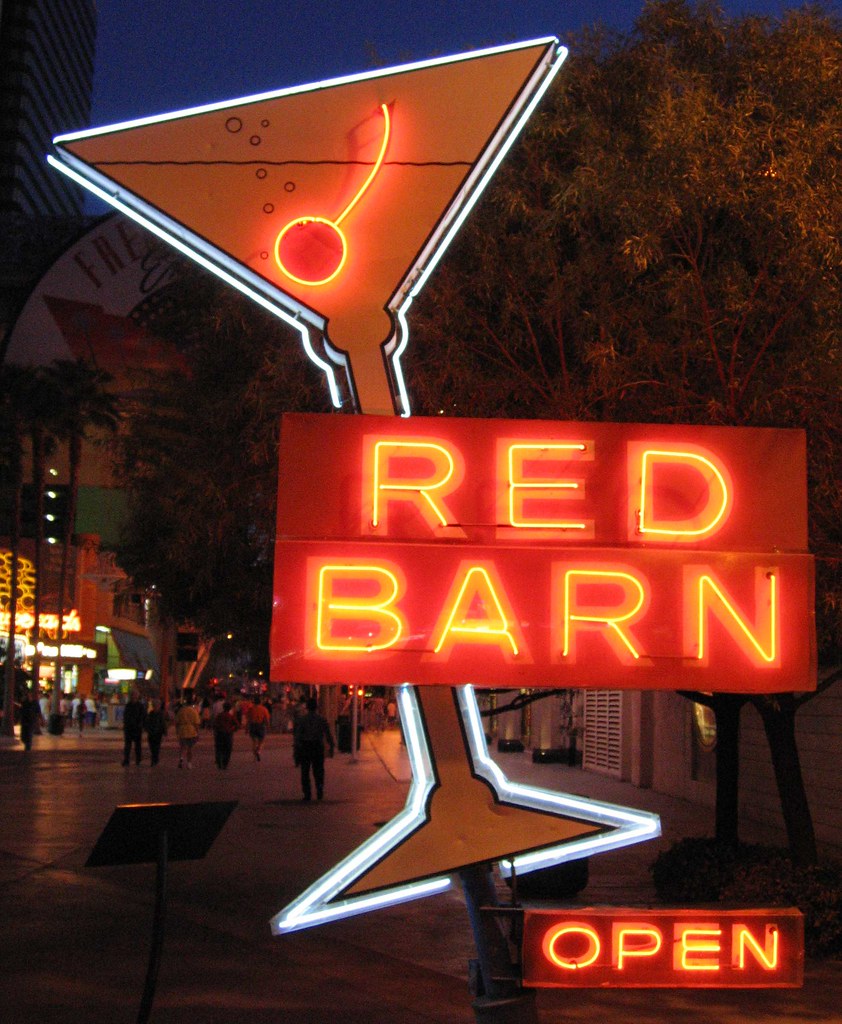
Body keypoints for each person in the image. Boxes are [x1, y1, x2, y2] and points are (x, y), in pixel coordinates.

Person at [293, 697, 335, 801]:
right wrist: (331, 746)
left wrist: (296, 749)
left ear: (307, 707)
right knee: (319, 770)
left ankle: (307, 793)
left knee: (305, 771)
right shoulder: (322, 719)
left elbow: (298, 736)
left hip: (305, 747)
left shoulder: (302, 720)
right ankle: (319, 790)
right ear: (316, 707)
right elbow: (328, 734)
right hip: (317, 746)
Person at [175, 693, 201, 768]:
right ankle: (189, 763)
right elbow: (196, 723)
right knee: (190, 748)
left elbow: (177, 722)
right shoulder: (194, 711)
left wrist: (177, 731)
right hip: (191, 731)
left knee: (182, 747)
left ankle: (181, 759)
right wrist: (198, 732)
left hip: (182, 731)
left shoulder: (181, 710)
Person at [122, 690, 146, 766]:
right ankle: (127, 760)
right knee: (128, 745)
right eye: (133, 695)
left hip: (137, 728)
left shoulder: (140, 706)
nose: (134, 697)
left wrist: (141, 725)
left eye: (135, 695)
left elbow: (143, 716)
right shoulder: (128, 705)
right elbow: (125, 716)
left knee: (137, 745)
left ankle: (138, 760)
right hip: (129, 728)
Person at [213, 700, 239, 769]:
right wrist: (232, 729)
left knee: (219, 748)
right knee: (228, 749)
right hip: (228, 734)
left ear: (223, 708)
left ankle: (219, 762)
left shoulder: (219, 715)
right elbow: (237, 725)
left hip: (219, 734)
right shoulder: (230, 716)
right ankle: (225, 763)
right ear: (229, 708)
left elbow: (215, 724)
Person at [245, 696, 270, 761]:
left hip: (253, 725)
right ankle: (258, 750)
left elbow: (248, 719)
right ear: (260, 702)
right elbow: (266, 719)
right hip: (261, 726)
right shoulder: (264, 709)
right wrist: (268, 726)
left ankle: (255, 755)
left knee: (254, 741)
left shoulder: (251, 709)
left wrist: (246, 729)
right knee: (261, 741)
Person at [144, 698, 166, 766]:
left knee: (156, 747)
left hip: (158, 733)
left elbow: (163, 724)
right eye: (154, 705)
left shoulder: (161, 714)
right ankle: (155, 759)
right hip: (151, 733)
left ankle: (154, 760)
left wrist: (164, 733)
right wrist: (147, 729)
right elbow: (147, 722)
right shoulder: (150, 714)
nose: (156, 707)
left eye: (157, 705)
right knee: (152, 747)